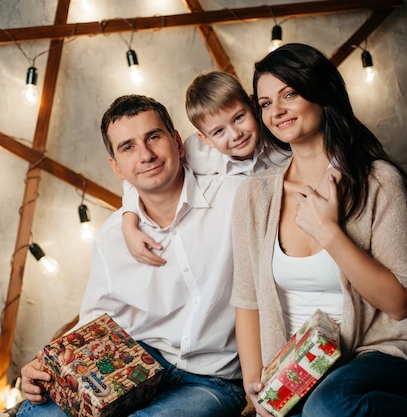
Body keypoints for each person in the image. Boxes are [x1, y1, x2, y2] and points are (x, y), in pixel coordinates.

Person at [231, 43, 407, 417]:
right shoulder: (254, 194)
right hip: (298, 368)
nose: (276, 111)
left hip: (379, 353)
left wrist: (330, 232)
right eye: (264, 103)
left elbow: (398, 302)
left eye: (289, 94)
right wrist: (255, 387)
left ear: (321, 93)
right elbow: (247, 300)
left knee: (328, 406)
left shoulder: (378, 181)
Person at [18, 94, 247, 417]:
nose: (146, 155)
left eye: (153, 137)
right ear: (117, 168)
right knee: (39, 415)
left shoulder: (233, 196)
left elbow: (259, 153)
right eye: (128, 147)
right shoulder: (112, 237)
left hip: (213, 380)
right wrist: (44, 366)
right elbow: (95, 323)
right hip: (135, 366)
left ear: (178, 143)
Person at [121, 70, 290, 267]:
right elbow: (146, 177)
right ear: (205, 138)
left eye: (238, 118)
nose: (235, 134)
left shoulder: (282, 139)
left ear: (253, 106)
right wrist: (129, 222)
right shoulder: (196, 152)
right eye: (219, 131)